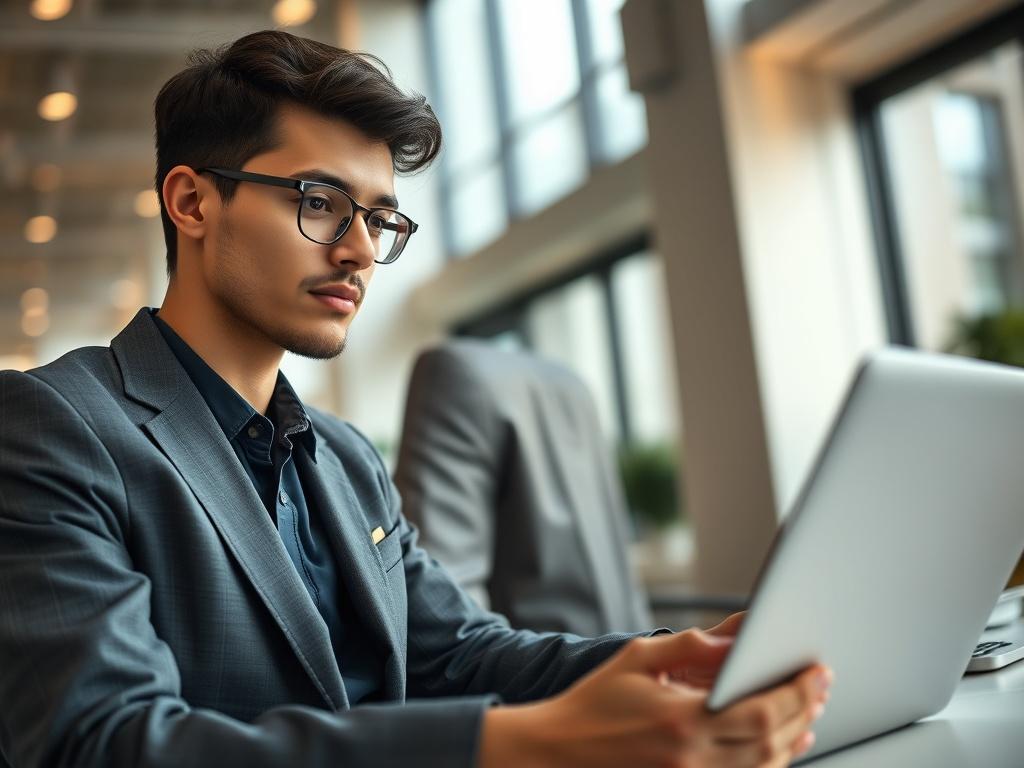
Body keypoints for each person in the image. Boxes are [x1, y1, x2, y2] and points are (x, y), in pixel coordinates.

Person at [0, 30, 830, 768]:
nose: (361, 251)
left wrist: (678, 658)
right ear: (192, 202)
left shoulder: (345, 456)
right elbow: (100, 741)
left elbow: (459, 655)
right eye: (319, 203)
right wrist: (524, 745)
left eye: (380, 220)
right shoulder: (53, 427)